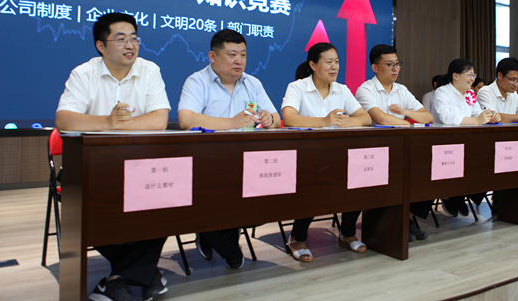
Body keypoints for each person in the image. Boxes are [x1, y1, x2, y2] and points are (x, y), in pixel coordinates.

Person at [56, 12, 171, 301]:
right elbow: (64, 120)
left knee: (167, 194)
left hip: (139, 166)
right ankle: (145, 273)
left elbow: (159, 120)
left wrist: (120, 125)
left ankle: (119, 280)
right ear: (101, 46)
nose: (130, 45)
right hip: (91, 167)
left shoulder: (149, 70)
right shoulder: (83, 74)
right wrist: (108, 122)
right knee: (97, 202)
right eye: (121, 39)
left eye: (134, 38)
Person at [177, 29, 281, 268]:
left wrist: (269, 119)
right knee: (218, 195)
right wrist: (230, 123)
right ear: (212, 56)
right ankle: (222, 241)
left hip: (246, 161)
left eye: (243, 55)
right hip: (206, 162)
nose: (239, 61)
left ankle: (211, 232)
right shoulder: (197, 81)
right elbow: (186, 119)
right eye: (232, 54)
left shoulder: (253, 83)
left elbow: (275, 118)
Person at [280, 42, 372, 261]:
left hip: (338, 153)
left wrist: (348, 122)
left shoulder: (342, 89)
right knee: (315, 184)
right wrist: (324, 121)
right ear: (313, 65)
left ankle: (347, 233)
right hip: (306, 156)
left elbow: (365, 118)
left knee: (359, 178)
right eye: (329, 62)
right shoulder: (298, 87)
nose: (334, 67)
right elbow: (289, 118)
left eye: (337, 62)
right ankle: (297, 238)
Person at [354, 44, 434, 240]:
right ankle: (392, 222)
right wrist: (408, 121)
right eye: (389, 64)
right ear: (375, 67)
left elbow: (427, 117)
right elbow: (381, 119)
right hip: (376, 151)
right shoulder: (365, 89)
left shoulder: (401, 90)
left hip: (403, 149)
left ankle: (408, 218)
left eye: (397, 64)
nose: (395, 69)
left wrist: (405, 112)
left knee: (429, 170)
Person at [431, 58, 500, 217]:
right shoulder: (442, 92)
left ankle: (463, 195)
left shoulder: (469, 94)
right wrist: (476, 121)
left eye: (473, 75)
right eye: (469, 75)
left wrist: (489, 117)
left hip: (466, 142)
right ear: (455, 76)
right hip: (445, 144)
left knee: (485, 163)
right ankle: (452, 196)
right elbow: (446, 118)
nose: (472, 79)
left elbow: (477, 113)